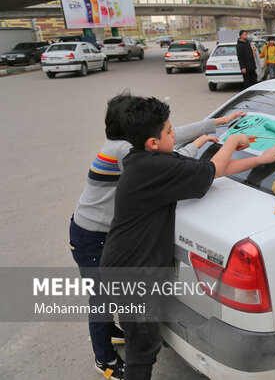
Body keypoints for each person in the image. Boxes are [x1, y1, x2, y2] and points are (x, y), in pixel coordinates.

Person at [100, 95, 275, 380]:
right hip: (131, 278)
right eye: (170, 131)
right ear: (153, 142)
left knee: (144, 339)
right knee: (142, 348)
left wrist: (260, 159)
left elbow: (211, 172)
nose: (175, 134)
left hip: (127, 269)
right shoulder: (153, 167)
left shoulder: (146, 159)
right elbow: (209, 170)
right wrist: (233, 142)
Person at [70, 92, 245, 380]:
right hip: (92, 233)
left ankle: (122, 332)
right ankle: (105, 359)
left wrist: (211, 125)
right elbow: (171, 161)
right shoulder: (124, 153)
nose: (172, 134)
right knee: (102, 299)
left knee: (114, 298)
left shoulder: (126, 144)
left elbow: (169, 141)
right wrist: (200, 144)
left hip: (100, 233)